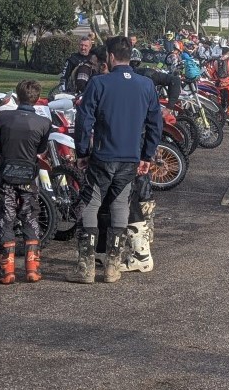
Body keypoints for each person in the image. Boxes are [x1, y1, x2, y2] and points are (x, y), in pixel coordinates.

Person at [69, 36, 163, 284]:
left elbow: (83, 120)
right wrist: (147, 155)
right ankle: (113, 266)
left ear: (110, 57)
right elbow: (155, 123)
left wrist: (82, 152)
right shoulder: (145, 85)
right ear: (130, 55)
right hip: (130, 157)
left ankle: (86, 267)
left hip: (103, 155)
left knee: (92, 203)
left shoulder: (99, 83)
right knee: (120, 204)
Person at [0, 79, 52, 284]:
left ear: (17, 95)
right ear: (37, 98)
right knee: (30, 217)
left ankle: (6, 271)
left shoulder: (4, 117)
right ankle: (33, 268)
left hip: (7, 175)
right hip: (28, 177)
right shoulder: (44, 123)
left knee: (5, 219)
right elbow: (40, 151)